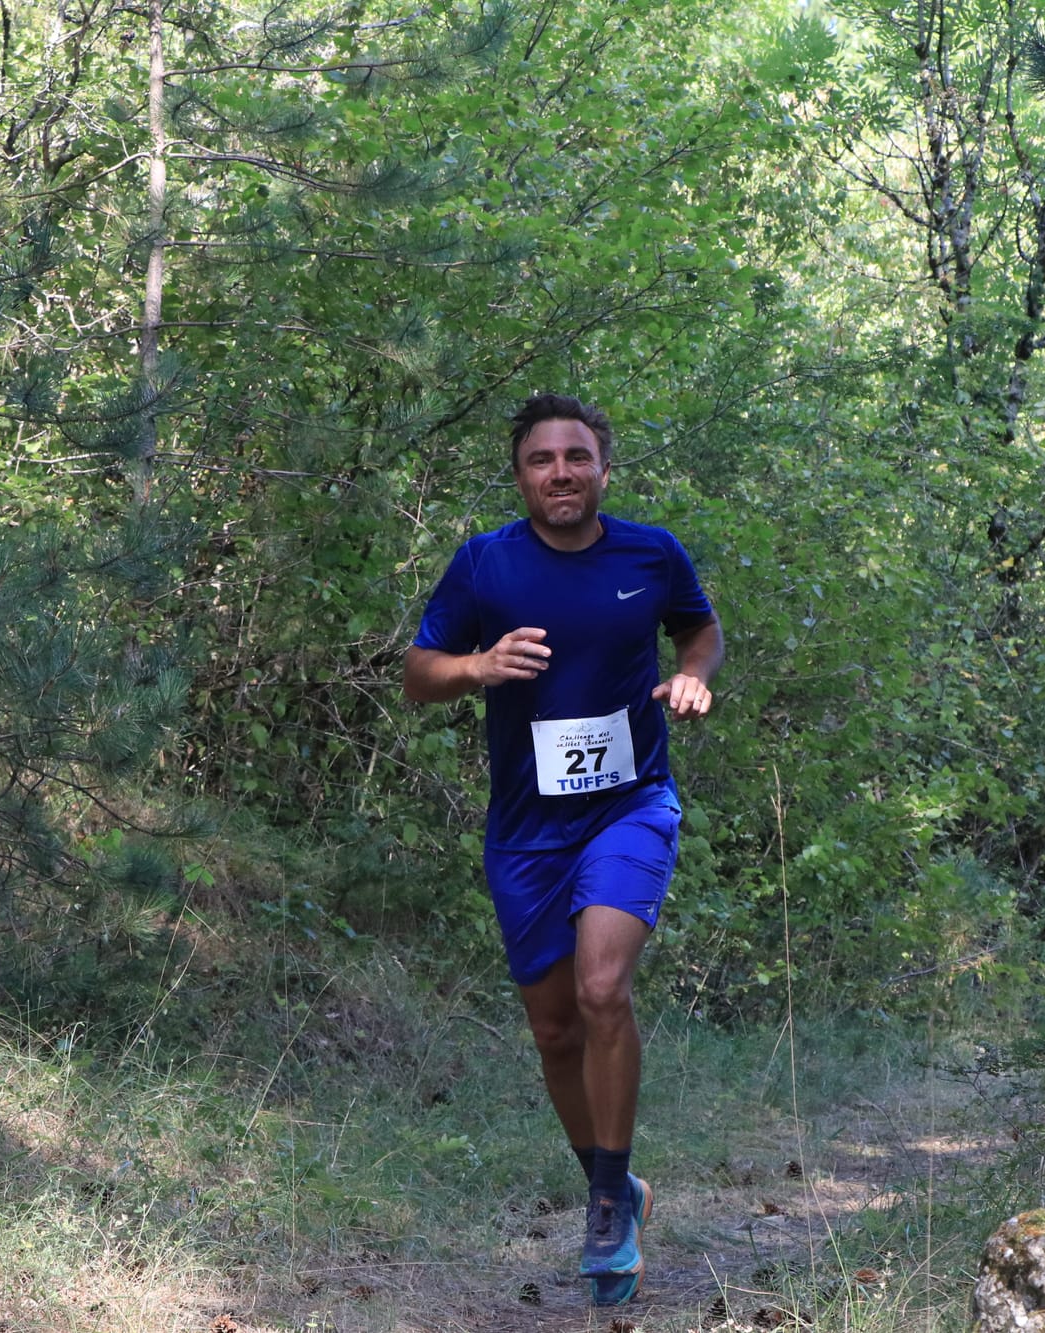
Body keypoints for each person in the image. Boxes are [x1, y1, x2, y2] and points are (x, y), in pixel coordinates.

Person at [402, 392, 724, 1305]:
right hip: (527, 830)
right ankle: (616, 1182)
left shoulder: (649, 553)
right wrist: (478, 667)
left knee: (600, 989)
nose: (561, 473)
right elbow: (420, 672)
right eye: (542, 460)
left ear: (603, 469)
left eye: (576, 457)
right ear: (521, 477)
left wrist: (692, 676)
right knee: (553, 1026)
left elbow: (700, 629)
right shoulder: (486, 563)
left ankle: (605, 1211)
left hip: (629, 807)